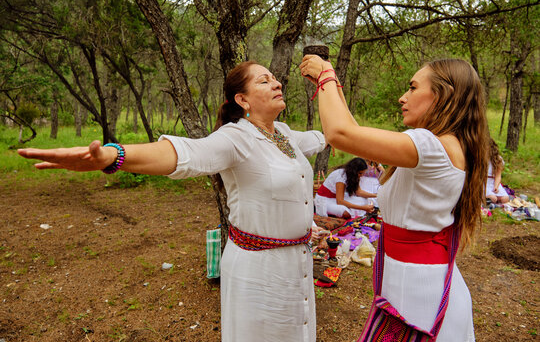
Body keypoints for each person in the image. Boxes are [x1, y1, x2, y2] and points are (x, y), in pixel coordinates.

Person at [18, 61, 326, 342]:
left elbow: (332, 134)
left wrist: (327, 85)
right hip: (260, 273)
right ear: (242, 100)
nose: (276, 84)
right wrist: (114, 156)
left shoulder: (284, 134)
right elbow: (187, 154)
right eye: (264, 81)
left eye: (275, 79)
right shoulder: (236, 137)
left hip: (296, 264)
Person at [300, 56, 487, 341]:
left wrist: (325, 74)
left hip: (417, 289)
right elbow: (356, 134)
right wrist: (333, 86)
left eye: (413, 88)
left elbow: (340, 134)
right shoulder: (444, 144)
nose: (403, 97)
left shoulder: (431, 145)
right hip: (415, 279)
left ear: (443, 95)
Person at [486, 138, 509, 205]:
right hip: (483, 182)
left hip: (493, 181)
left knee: (505, 199)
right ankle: (483, 197)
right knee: (493, 198)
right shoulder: (479, 158)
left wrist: (496, 186)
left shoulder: (497, 159)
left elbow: (498, 175)